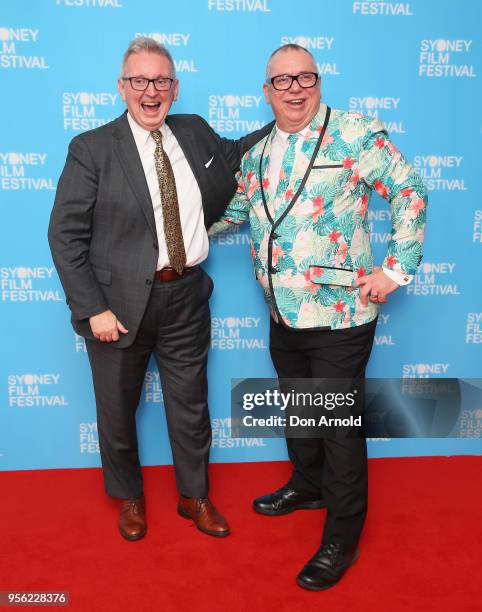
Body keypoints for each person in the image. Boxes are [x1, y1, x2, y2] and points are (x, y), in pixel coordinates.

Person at [210, 44, 427, 589]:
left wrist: (395, 271)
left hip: (341, 314)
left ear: (318, 80)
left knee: (337, 427)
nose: (294, 88)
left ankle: (342, 536)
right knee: (300, 412)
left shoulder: (354, 132)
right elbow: (233, 213)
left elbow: (410, 190)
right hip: (282, 311)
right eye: (281, 81)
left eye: (304, 76)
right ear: (267, 91)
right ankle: (308, 485)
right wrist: (170, 237)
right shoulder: (257, 152)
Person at [48, 37, 269, 542]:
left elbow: (237, 156)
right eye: (140, 81)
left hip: (186, 296)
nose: (152, 91)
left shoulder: (192, 132)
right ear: (123, 88)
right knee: (117, 410)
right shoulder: (92, 148)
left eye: (162, 81)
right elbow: (65, 235)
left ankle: (194, 497)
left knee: (190, 405)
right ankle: (130, 498)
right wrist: (93, 308)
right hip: (117, 305)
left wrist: (286, 117)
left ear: (175, 88)